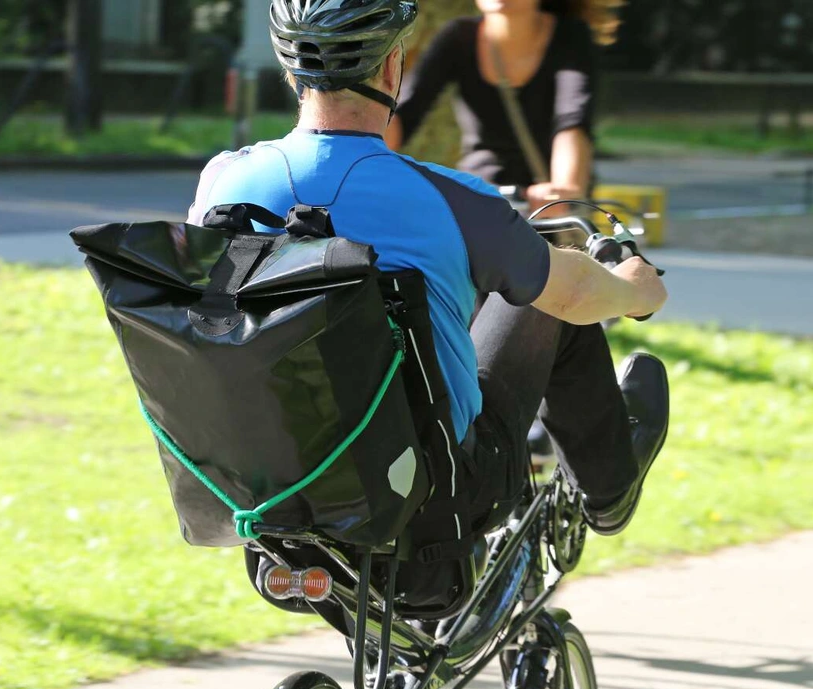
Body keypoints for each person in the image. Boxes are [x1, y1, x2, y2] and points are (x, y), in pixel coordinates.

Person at [187, 0, 668, 543]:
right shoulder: (452, 200)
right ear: (392, 67)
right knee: (547, 295)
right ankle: (608, 495)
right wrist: (634, 289)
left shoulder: (221, 186)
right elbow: (577, 293)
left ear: (288, 66)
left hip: (266, 484)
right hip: (439, 487)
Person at [387, 0, 618, 210]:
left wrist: (564, 188)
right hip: (482, 194)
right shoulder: (458, 37)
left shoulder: (570, 36)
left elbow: (571, 121)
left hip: (547, 200)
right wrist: (364, 159)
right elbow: (406, 111)